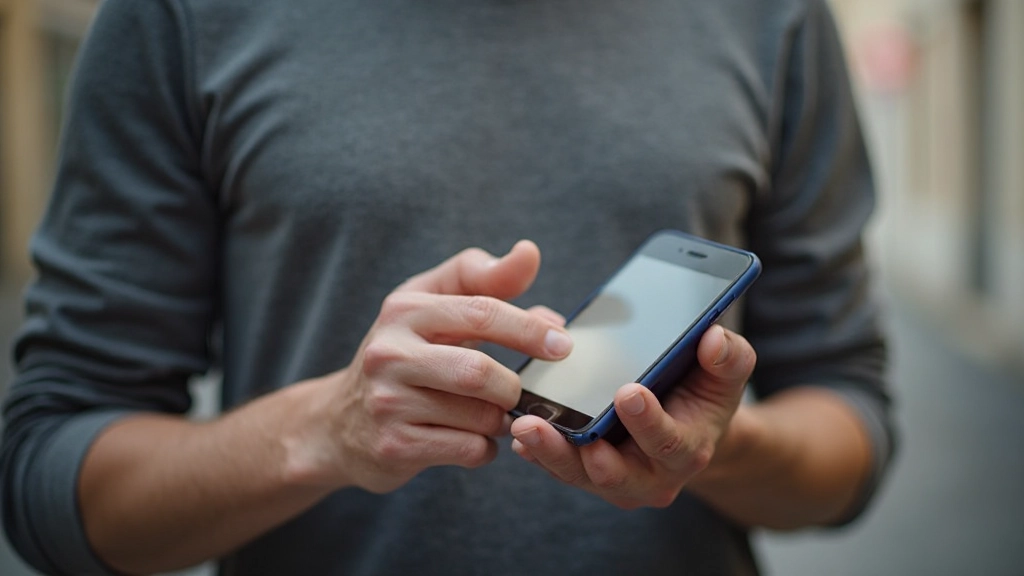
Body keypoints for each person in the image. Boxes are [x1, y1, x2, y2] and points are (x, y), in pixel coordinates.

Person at [0, 0, 895, 574]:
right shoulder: (181, 15)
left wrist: (711, 448)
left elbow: (851, 430)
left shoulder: (772, 16)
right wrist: (326, 430)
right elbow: (50, 476)